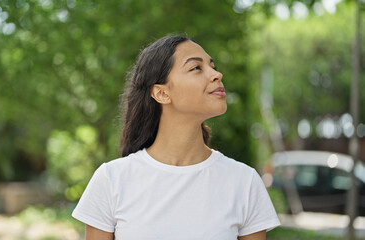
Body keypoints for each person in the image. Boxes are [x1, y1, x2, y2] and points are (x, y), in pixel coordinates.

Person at [72, 35, 280, 240]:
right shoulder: (111, 180)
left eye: (212, 66)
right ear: (162, 93)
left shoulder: (244, 182)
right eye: (196, 68)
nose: (217, 74)